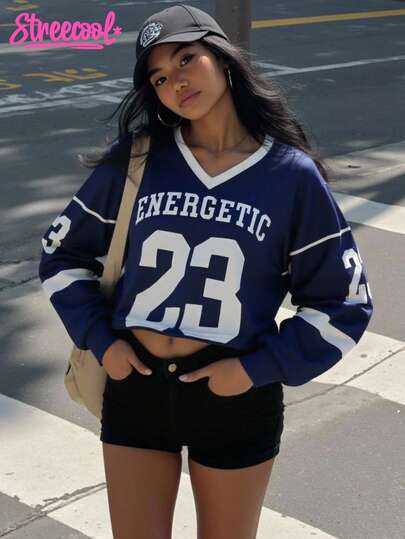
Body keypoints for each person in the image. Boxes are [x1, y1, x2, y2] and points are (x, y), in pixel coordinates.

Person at [38, 3, 373, 538]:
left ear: (222, 58)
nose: (175, 81)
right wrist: (103, 342)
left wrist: (256, 369)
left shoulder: (291, 175)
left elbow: (344, 302)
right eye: (158, 77)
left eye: (186, 59)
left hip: (233, 395)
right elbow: (62, 255)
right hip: (136, 385)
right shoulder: (139, 159)